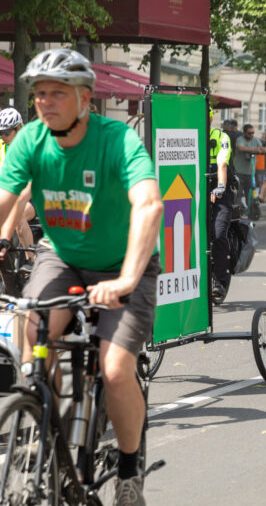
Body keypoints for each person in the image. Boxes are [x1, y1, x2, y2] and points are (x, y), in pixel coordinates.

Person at [0, 48, 163, 504]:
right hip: (63, 255)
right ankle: (41, 422)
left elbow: (149, 205)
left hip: (124, 264)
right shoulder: (30, 141)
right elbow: (3, 199)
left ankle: (129, 472)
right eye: (39, 94)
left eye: (57, 93)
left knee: (114, 371)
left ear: (85, 98)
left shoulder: (116, 140)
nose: (45, 102)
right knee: (30, 327)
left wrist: (127, 281)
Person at [0, 108, 35, 256]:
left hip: (32, 199)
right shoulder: (2, 148)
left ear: (19, 128)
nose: (3, 137)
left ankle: (31, 264)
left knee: (17, 215)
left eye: (7, 132)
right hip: (9, 198)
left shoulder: (30, 148)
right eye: (0, 133)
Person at [209, 110, 235, 301]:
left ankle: (220, 281)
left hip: (220, 192)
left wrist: (219, 187)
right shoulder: (188, 137)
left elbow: (222, 164)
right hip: (197, 192)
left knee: (218, 234)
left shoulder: (221, 137)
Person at [234, 124, 266, 212]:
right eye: (249, 133)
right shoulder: (240, 139)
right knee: (238, 193)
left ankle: (251, 211)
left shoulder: (255, 140)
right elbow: (240, 148)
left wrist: (261, 150)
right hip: (239, 171)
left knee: (250, 193)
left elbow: (264, 149)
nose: (251, 135)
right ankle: (238, 211)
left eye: (253, 133)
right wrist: (255, 150)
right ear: (244, 132)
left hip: (250, 172)